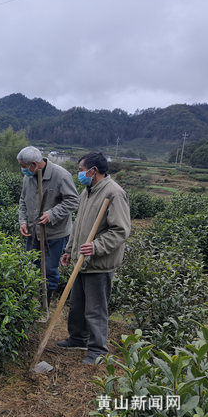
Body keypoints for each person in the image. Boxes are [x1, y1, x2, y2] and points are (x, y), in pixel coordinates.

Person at [57, 152, 131, 365]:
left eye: (81, 170)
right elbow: (79, 225)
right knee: (77, 304)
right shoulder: (87, 191)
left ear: (93, 171)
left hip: (99, 262)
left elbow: (120, 230)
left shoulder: (114, 193)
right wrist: (69, 250)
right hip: (81, 259)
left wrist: (96, 247)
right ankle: (78, 339)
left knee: (95, 308)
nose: (79, 174)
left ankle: (98, 350)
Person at [17, 146, 79, 302]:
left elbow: (73, 201)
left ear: (34, 164)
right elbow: (23, 200)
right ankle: (28, 302)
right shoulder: (28, 177)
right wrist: (23, 221)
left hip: (55, 234)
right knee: (30, 266)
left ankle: (45, 303)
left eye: (24, 167)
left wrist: (52, 214)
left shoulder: (61, 175)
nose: (23, 170)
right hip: (33, 232)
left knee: (50, 270)